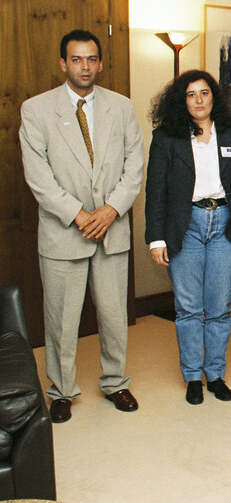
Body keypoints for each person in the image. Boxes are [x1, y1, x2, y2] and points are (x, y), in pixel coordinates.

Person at [19, 29, 144, 423]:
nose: (84, 66)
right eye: (76, 59)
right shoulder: (36, 110)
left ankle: (115, 382)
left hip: (111, 230)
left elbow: (135, 166)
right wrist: (77, 213)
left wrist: (110, 210)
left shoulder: (122, 107)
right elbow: (38, 175)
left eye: (91, 59)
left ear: (101, 63)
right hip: (63, 233)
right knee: (61, 319)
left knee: (112, 316)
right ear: (63, 63)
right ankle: (60, 391)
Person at [145, 70, 231, 405]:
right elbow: (155, 191)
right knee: (189, 307)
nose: (199, 100)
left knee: (219, 307)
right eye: (191, 95)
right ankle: (192, 375)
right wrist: (156, 238)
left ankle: (215, 373)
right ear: (182, 100)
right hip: (184, 226)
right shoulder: (167, 137)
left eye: (204, 93)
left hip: (224, 224)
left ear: (213, 96)